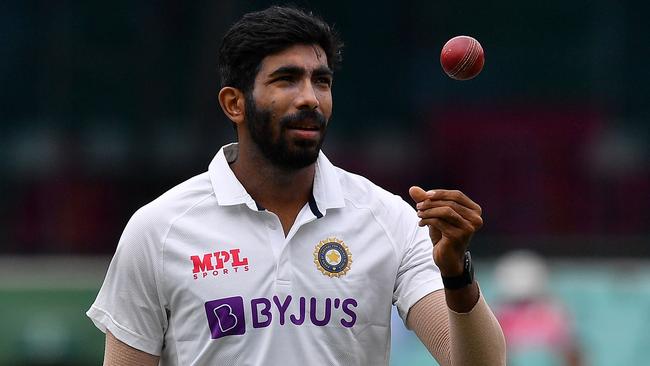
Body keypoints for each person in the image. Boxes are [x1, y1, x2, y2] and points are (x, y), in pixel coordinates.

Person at [87, 6, 506, 365]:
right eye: (287, 80)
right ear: (235, 103)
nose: (310, 98)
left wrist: (456, 273)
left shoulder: (390, 219)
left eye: (320, 81)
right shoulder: (159, 229)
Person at [494, 250, 583, 366]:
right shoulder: (498, 315)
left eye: (528, 302)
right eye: (519, 303)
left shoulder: (555, 312)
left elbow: (572, 352)